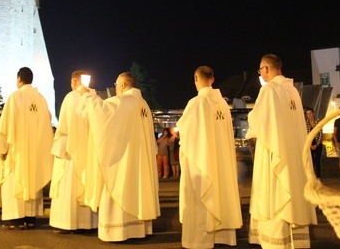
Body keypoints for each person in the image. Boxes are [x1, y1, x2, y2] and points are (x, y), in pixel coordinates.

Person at [246, 54, 317, 248]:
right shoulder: (292, 90)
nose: (260, 73)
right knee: (291, 188)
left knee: (274, 191)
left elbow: (259, 120)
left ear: (267, 69)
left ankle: (276, 240)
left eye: (260, 69)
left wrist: (251, 118)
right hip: (292, 152)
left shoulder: (269, 89)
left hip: (274, 152)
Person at [83, 72, 160, 242]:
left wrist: (89, 96)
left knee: (119, 185)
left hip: (124, 159)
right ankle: (138, 229)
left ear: (123, 85)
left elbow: (102, 113)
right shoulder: (143, 104)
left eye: (116, 85)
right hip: (139, 159)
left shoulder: (125, 102)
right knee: (138, 190)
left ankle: (118, 231)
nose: (116, 88)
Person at [176, 66, 242, 249]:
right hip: (220, 161)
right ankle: (222, 236)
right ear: (212, 79)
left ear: (196, 78)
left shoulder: (197, 102)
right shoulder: (222, 104)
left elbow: (186, 131)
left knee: (201, 197)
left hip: (202, 160)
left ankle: (200, 240)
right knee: (220, 191)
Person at [0, 67, 53, 230]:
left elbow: (6, 124)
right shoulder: (41, 99)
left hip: (17, 151)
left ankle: (15, 219)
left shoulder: (15, 97)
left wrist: (2, 148)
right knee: (33, 180)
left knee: (14, 182)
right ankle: (31, 218)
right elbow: (48, 120)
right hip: (35, 152)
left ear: (19, 79)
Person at [49, 70, 98, 232]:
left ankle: (67, 223)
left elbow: (63, 125)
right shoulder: (95, 97)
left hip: (71, 151)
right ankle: (88, 223)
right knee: (87, 182)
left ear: (75, 81)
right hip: (89, 151)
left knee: (68, 185)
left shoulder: (71, 97)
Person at [305, 107, 323, 180]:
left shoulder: (318, 122)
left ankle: (318, 177)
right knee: (311, 160)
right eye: (307, 114)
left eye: (310, 113)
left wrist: (317, 144)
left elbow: (321, 134)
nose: (309, 115)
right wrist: (310, 145)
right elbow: (306, 134)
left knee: (317, 160)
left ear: (313, 114)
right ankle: (312, 176)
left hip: (317, 143)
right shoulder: (306, 123)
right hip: (310, 144)